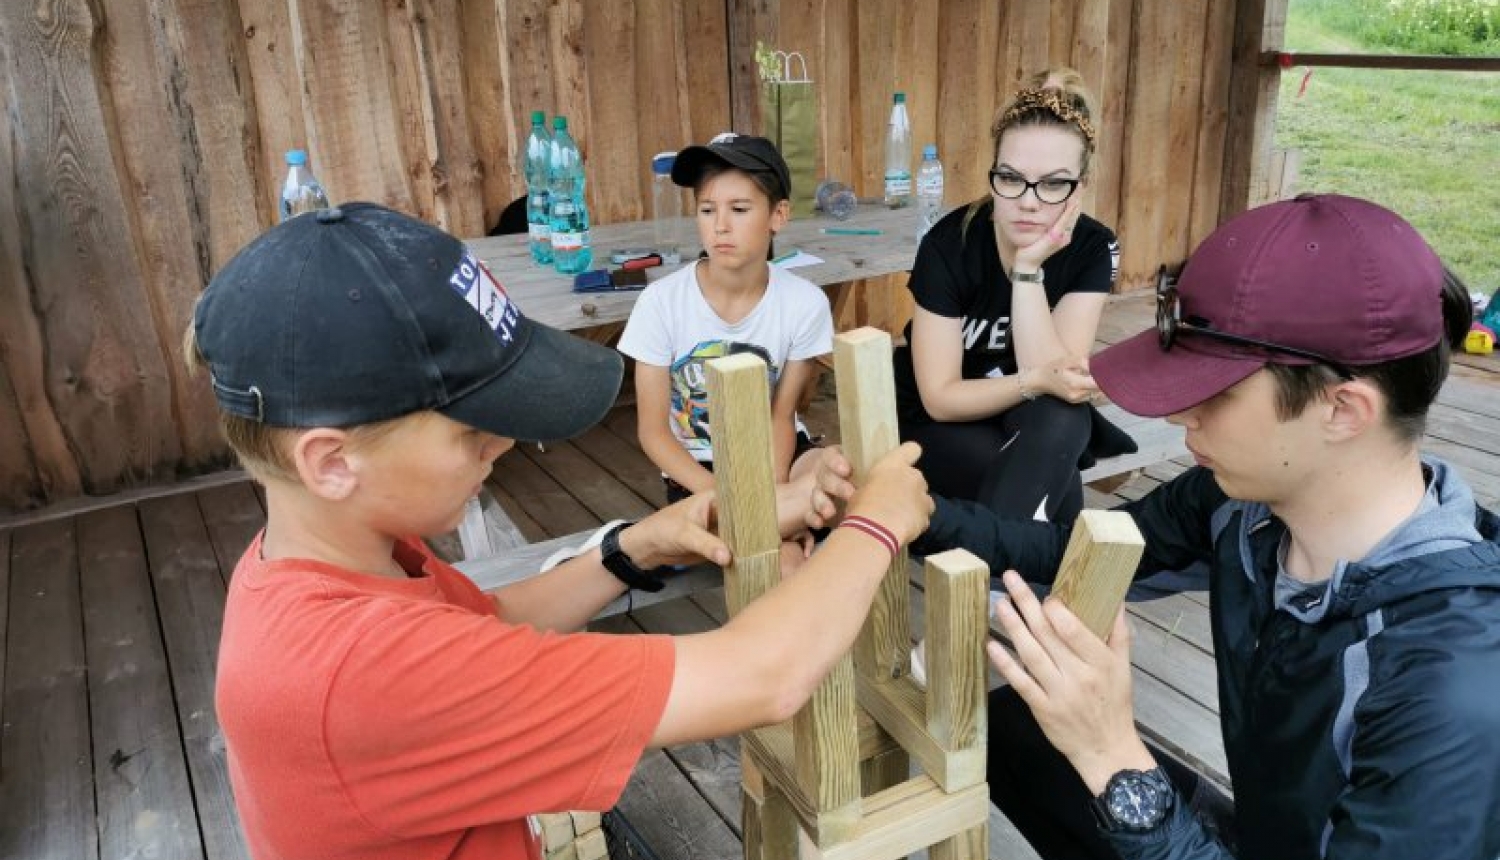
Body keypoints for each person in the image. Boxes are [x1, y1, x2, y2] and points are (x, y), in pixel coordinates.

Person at [189, 202, 932, 860]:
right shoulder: (364, 674)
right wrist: (876, 523)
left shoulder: (325, 562)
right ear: (330, 461)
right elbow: (761, 677)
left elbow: (490, 622)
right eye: (474, 430)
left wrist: (636, 546)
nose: (502, 444)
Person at [813, 193, 1500, 858]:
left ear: (1343, 410)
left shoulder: (1450, 688)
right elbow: (1066, 553)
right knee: (1020, 732)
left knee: (1086, 759)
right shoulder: (1245, 507)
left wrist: (1115, 760)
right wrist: (912, 514)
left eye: (1216, 393)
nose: (1179, 416)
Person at [892, 67, 1134, 527]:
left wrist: (1027, 272)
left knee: (1060, 424)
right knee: (1045, 467)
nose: (1028, 200)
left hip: (1030, 420)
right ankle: (1031, 587)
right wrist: (1035, 382)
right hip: (936, 421)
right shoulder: (948, 245)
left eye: (1053, 183)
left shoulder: (1091, 246)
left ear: (1079, 188)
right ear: (993, 178)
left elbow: (1058, 382)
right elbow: (941, 397)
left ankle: (999, 585)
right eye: (1011, 177)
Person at [619, 132, 834, 503]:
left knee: (837, 475)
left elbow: (781, 417)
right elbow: (654, 432)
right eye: (707, 209)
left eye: (739, 209)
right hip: (698, 467)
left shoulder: (806, 303)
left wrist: (774, 495)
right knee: (781, 546)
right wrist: (728, 499)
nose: (720, 225)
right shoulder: (661, 302)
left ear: (778, 215)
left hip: (776, 451)